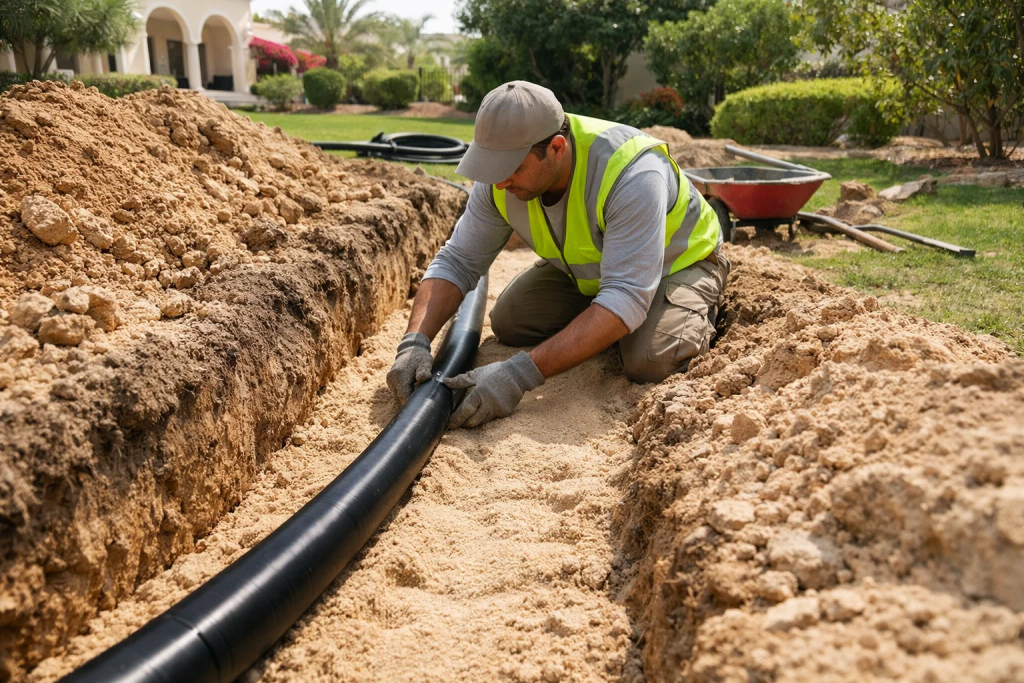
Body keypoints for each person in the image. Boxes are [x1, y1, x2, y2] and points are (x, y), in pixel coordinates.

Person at [386, 80, 730, 429]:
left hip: (678, 263)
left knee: (651, 361)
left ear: (556, 148)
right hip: (596, 272)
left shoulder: (631, 172)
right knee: (511, 321)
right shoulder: (498, 181)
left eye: (511, 168)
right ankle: (605, 323)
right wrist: (414, 342)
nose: (500, 183)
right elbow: (457, 261)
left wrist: (518, 375)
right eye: (492, 167)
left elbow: (626, 295)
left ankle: (659, 319)